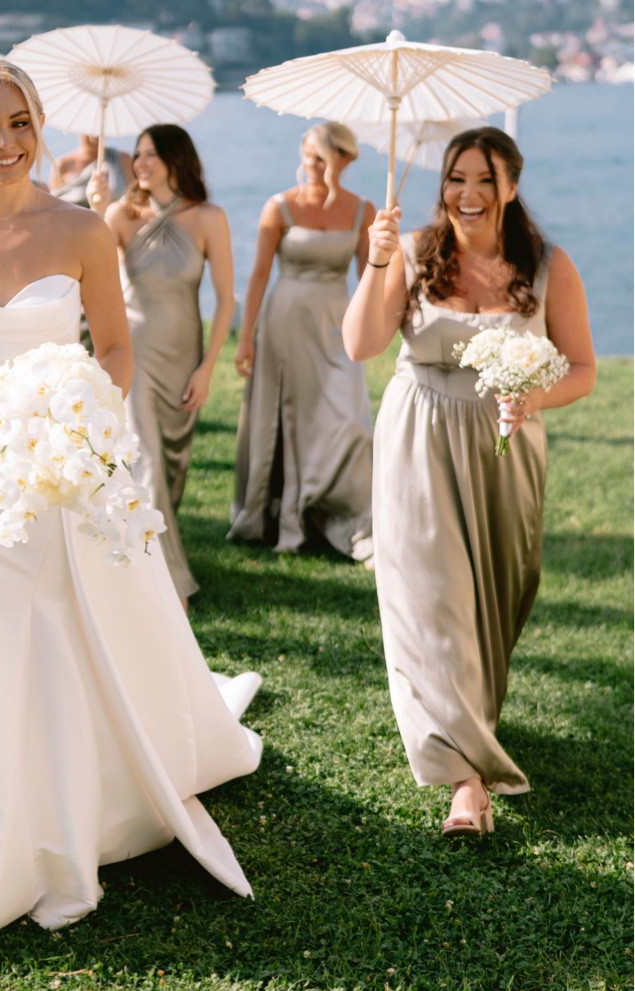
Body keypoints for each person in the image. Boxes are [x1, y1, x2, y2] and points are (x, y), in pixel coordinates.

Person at [0, 60, 262, 961]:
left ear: (40, 125)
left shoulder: (82, 230)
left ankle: (69, 797)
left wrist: (72, 410)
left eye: (18, 122)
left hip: (55, 459)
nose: (2, 142)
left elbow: (114, 350)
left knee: (54, 617)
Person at [342, 126, 595, 836]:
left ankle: (471, 719)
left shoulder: (545, 265)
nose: (468, 193)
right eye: (456, 177)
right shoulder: (413, 251)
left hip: (506, 450)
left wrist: (533, 396)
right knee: (431, 600)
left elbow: (581, 368)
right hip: (416, 440)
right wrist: (373, 263)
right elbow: (359, 344)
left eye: (484, 179)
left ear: (510, 186)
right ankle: (466, 782)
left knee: (493, 600)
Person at [97, 124, 234, 605]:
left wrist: (207, 368)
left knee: (171, 472)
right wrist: (96, 212)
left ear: (177, 159)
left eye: (151, 154)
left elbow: (226, 300)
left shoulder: (209, 218)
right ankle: (159, 586)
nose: (140, 163)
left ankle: (140, 552)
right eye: (137, 155)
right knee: (146, 462)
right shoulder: (120, 213)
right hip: (133, 353)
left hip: (183, 357)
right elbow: (88, 267)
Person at [228, 122, 376, 561]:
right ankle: (281, 514)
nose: (310, 166)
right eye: (307, 155)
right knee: (288, 415)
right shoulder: (279, 207)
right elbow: (258, 276)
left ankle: (337, 511)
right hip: (285, 321)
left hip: (337, 324)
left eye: (322, 159)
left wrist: (386, 248)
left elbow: (370, 279)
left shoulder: (363, 212)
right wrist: (246, 339)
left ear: (344, 161)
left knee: (347, 420)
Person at [51, 133, 132, 207]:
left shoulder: (123, 160)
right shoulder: (62, 165)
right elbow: (53, 205)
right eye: (88, 132)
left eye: (97, 133)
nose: (93, 137)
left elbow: (135, 198)